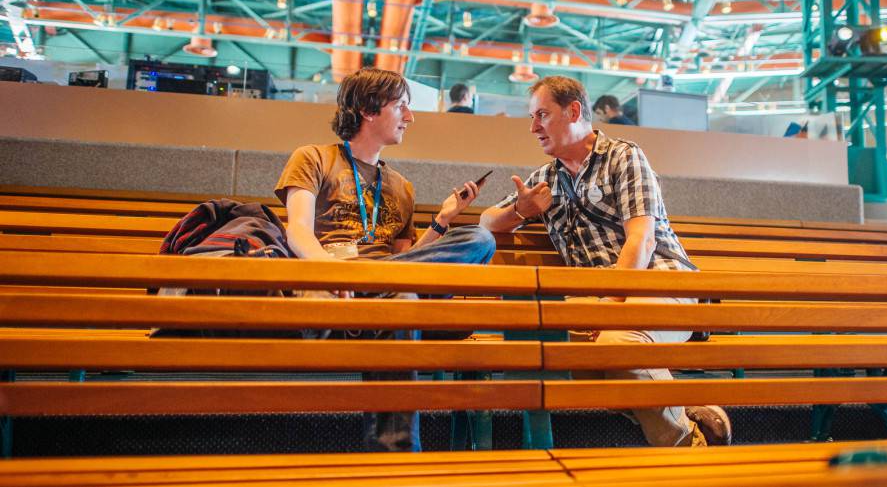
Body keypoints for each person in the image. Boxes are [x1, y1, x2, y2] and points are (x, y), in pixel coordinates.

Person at [479, 76, 731, 447]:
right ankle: (682, 402)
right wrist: (522, 209)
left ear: (575, 111)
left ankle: (688, 446)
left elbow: (641, 240)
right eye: (532, 117)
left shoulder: (623, 156)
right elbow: (486, 221)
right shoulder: (546, 179)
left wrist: (607, 307)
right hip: (598, 300)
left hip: (662, 283)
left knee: (618, 341)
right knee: (554, 350)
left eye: (542, 115)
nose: (533, 127)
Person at [274, 67, 496, 452]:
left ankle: (370, 286)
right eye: (401, 107)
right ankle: (397, 461)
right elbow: (298, 231)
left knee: (480, 237)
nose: (410, 118)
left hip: (382, 289)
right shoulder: (312, 158)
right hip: (333, 290)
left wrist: (442, 222)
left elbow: (408, 263)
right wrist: (333, 274)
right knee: (403, 301)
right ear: (368, 109)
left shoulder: (401, 186)